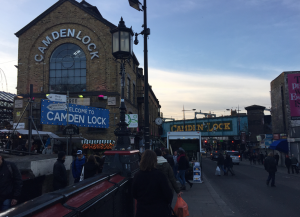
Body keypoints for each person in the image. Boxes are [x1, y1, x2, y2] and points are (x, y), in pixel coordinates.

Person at [132, 150, 173, 217]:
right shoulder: (160, 175)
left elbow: (134, 194)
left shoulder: (137, 175)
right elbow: (168, 194)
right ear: (155, 160)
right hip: (159, 211)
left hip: (142, 211)